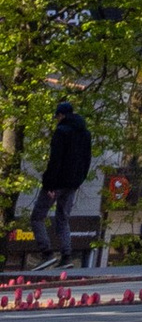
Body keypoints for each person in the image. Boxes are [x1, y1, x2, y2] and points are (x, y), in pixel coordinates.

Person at [29, 101, 91, 266]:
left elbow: (55, 160)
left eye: (57, 117)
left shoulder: (61, 132)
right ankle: (67, 257)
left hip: (56, 183)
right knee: (62, 219)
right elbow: (86, 161)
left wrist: (49, 184)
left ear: (61, 115)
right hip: (72, 184)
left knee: (37, 217)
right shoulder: (85, 133)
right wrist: (78, 181)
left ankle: (46, 253)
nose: (56, 120)